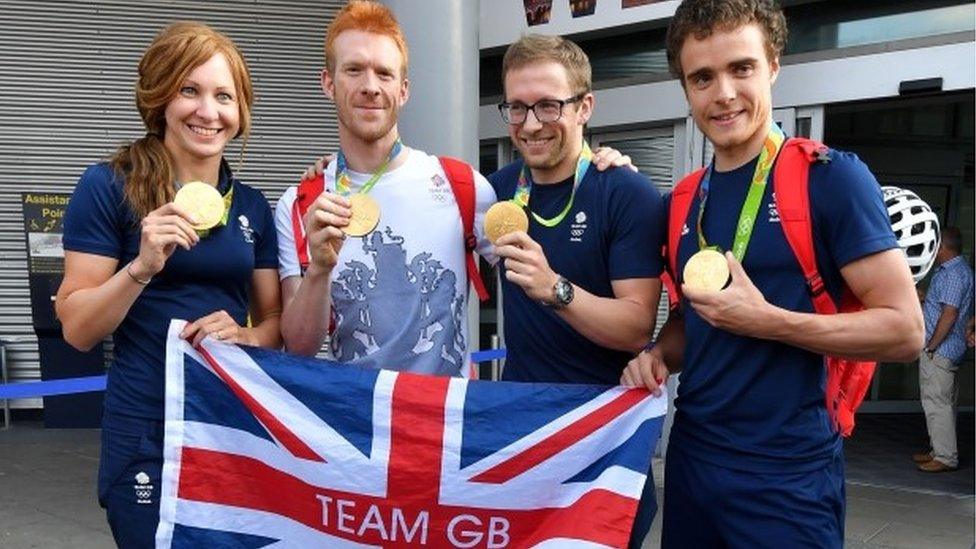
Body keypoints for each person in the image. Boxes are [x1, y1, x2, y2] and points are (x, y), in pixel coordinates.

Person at [621, 1, 924, 546]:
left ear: (774, 66)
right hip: (692, 462)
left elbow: (904, 331)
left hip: (789, 475)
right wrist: (658, 356)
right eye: (702, 78)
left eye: (742, 68)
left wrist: (770, 321)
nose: (725, 94)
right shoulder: (683, 201)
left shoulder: (831, 179)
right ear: (685, 88)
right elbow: (697, 322)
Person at [279, 1, 631, 373]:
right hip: (354, 421)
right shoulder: (302, 203)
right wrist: (318, 269)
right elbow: (298, 347)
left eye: (384, 73)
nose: (370, 87)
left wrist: (596, 169)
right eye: (354, 70)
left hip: (446, 420)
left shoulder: (462, 186)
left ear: (404, 90)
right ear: (328, 83)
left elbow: (551, 266)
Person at [56, 22, 282, 547]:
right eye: (190, 90)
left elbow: (278, 329)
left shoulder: (251, 205)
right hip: (147, 430)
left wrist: (248, 336)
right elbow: (76, 329)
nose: (208, 111)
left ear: (241, 110)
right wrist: (140, 267)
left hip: (230, 426)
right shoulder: (108, 185)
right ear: (160, 97)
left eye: (224, 96)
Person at [489, 34, 665, 549]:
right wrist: (329, 174)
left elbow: (636, 324)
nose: (531, 123)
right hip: (522, 431)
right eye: (516, 108)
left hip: (604, 439)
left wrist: (554, 289)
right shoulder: (496, 191)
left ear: (585, 106)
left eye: (548, 105)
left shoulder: (625, 191)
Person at [915, 226, 974, 472]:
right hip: (950, 348)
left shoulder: (951, 274)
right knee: (945, 403)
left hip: (941, 350)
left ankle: (944, 457)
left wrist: (931, 346)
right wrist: (925, 297)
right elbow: (947, 306)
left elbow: (949, 314)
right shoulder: (960, 270)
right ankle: (938, 450)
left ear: (942, 247)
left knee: (937, 402)